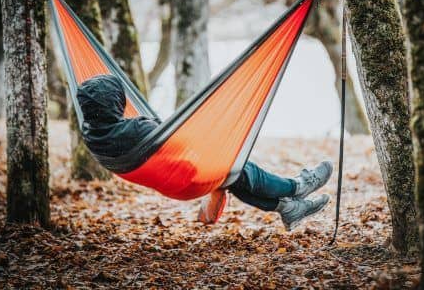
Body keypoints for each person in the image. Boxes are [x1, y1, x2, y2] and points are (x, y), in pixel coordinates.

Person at [77, 74, 333, 231]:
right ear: (114, 102)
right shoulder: (135, 129)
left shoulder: (91, 135)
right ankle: (296, 186)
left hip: (172, 183)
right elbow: (177, 138)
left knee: (231, 177)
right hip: (187, 178)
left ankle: (286, 208)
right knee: (235, 164)